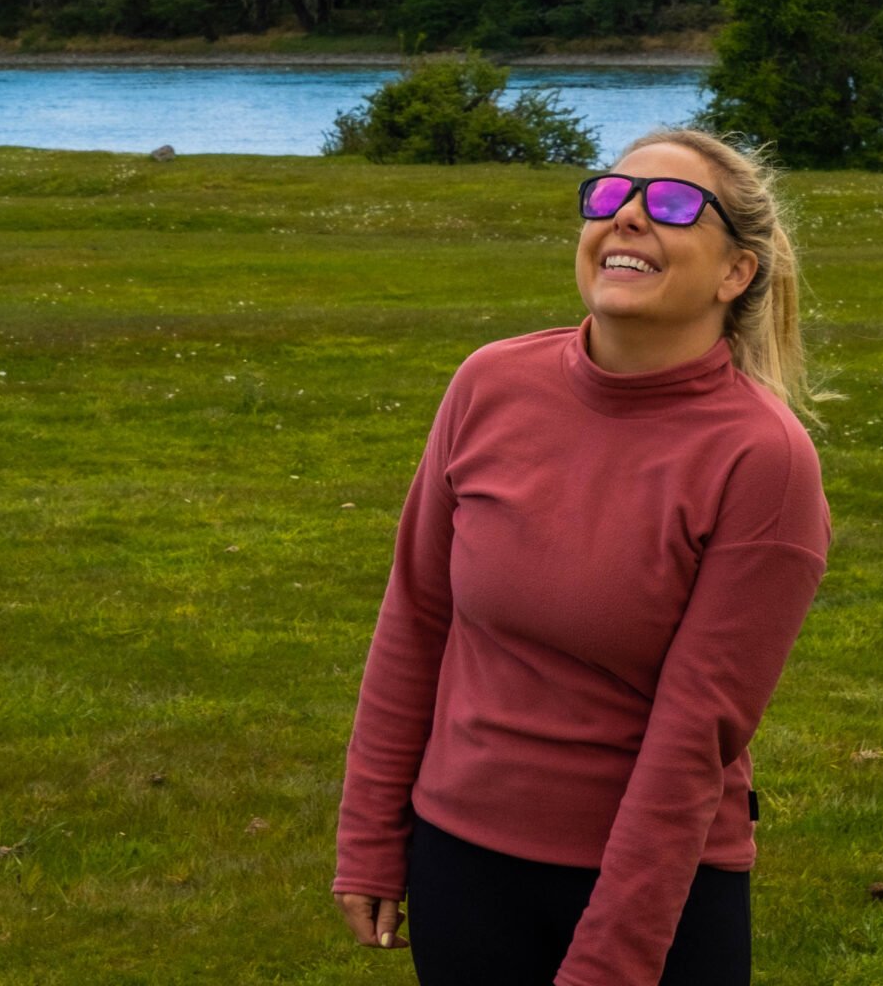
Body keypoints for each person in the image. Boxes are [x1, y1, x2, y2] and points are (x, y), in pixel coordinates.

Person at [332, 125, 831, 986]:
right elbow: (416, 617)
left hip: (650, 890)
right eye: (608, 197)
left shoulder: (763, 461)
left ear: (735, 272)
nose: (630, 217)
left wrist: (613, 955)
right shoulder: (489, 384)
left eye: (674, 206)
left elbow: (691, 737)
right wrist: (371, 834)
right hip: (461, 864)